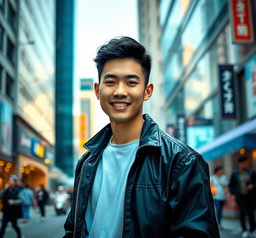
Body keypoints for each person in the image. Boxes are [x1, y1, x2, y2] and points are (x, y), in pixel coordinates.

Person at [63, 36, 219, 238]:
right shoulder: (87, 162)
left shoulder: (182, 162)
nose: (120, 91)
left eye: (131, 82)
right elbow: (73, 229)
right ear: (97, 90)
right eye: (110, 82)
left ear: (147, 91)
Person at [229, 156, 256, 238]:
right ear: (239, 164)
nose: (245, 165)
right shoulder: (234, 173)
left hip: (250, 196)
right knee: (242, 213)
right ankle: (244, 230)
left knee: (251, 214)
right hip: (240, 197)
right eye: (243, 163)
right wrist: (233, 194)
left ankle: (252, 229)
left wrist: (253, 186)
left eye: (246, 163)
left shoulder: (251, 172)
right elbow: (231, 185)